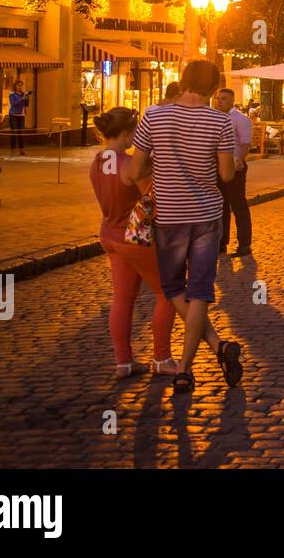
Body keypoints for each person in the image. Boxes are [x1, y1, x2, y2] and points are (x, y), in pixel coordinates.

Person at [130, 59, 243, 394]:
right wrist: (234, 163)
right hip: (207, 216)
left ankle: (200, 359)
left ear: (182, 81)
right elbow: (225, 176)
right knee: (200, 293)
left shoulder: (153, 116)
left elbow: (136, 170)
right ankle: (192, 364)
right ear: (213, 86)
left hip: (170, 217)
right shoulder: (219, 122)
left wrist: (163, 169)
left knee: (174, 289)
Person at [89, 106, 178, 379]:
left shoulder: (98, 160)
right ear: (127, 133)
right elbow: (154, 202)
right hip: (134, 238)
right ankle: (161, 357)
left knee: (123, 299)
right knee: (168, 293)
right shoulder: (130, 165)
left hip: (109, 234)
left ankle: (123, 362)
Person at [214, 88, 253, 257]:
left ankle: (244, 244)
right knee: (220, 206)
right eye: (218, 98)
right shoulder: (214, 118)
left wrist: (239, 160)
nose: (219, 101)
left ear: (232, 100)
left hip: (234, 167)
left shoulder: (240, 120)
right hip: (217, 167)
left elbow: (245, 144)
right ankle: (222, 243)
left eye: (223, 99)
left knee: (238, 205)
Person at [7, 80, 31, 156]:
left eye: (21, 85)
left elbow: (26, 105)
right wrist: (22, 98)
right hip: (13, 115)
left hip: (22, 115)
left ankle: (22, 149)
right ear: (15, 86)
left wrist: (27, 97)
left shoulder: (23, 94)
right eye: (19, 85)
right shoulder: (12, 94)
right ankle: (13, 150)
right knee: (14, 133)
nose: (20, 87)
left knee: (21, 133)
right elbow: (13, 104)